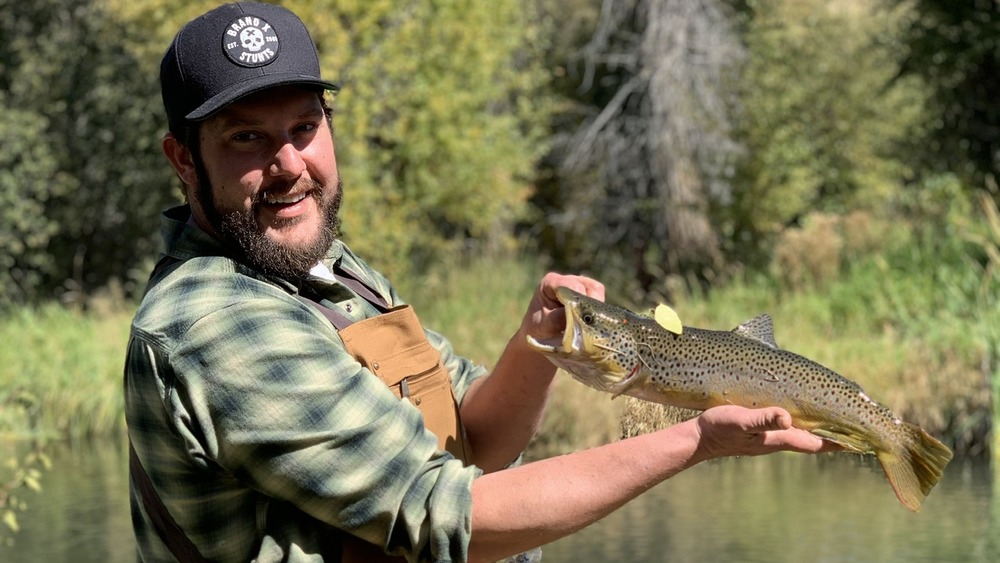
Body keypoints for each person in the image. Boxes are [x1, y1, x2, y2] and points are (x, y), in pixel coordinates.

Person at [124, 2, 835, 562]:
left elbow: (473, 436)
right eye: (246, 138)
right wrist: (697, 439)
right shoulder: (214, 321)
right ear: (183, 159)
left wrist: (534, 345)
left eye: (305, 127)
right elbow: (446, 514)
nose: (289, 164)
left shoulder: (332, 274)